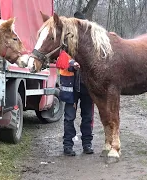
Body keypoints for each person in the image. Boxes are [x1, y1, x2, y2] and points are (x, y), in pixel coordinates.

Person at [56, 11, 94, 156]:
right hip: (70, 87)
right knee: (69, 118)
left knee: (88, 117)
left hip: (87, 86)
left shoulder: (90, 42)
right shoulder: (66, 41)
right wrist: (72, 64)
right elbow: (61, 59)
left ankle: (87, 144)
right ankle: (68, 146)